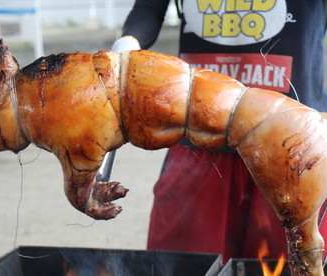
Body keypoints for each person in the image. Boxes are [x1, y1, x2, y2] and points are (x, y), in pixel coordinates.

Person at [112, 0, 327, 262]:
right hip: (197, 135)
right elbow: (149, 7)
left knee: (293, 262)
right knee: (182, 262)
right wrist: (129, 42)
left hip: (291, 148)